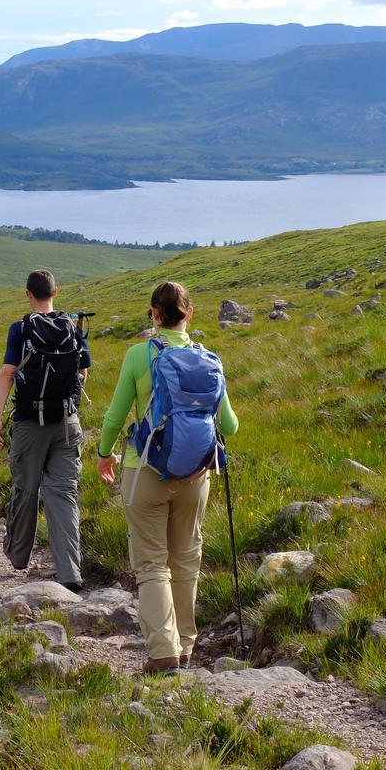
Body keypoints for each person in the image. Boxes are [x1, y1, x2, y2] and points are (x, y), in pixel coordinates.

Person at [96, 281, 239, 674]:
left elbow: (114, 416)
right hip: (196, 477)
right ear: (189, 313)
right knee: (186, 560)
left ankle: (163, 650)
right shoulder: (210, 359)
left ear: (154, 315)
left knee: (152, 564)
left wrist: (104, 454)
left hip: (144, 471)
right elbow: (230, 424)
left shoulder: (137, 356)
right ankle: (187, 646)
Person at [0, 270, 90, 590]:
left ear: (28, 294)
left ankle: (18, 557)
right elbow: (82, 374)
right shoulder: (73, 328)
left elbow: (6, 374)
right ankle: (70, 572)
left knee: (26, 490)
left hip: (30, 423)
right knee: (64, 495)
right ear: (55, 292)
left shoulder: (20, 329)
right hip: (66, 423)